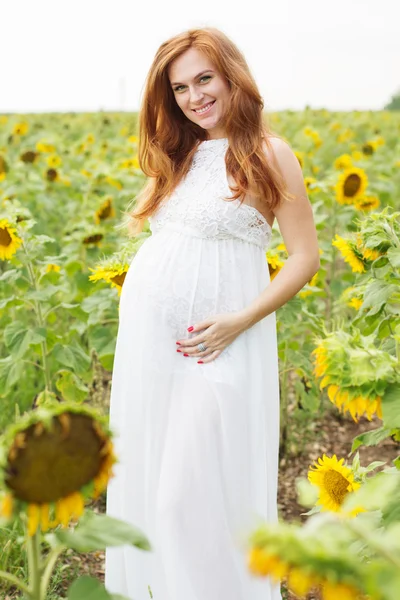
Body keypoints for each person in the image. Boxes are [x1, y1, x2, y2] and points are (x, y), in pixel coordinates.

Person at [105, 26, 320, 600]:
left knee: (187, 495)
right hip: (152, 345)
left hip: (221, 343)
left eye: (205, 79)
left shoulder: (268, 153)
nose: (194, 96)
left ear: (232, 76)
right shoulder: (179, 153)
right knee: (152, 486)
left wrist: (240, 320)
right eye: (179, 88)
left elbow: (305, 256)